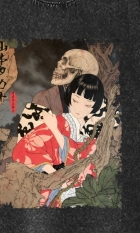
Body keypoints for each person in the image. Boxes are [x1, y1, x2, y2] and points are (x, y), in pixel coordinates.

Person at [12, 74, 105, 207]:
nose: (79, 108)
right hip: (57, 184)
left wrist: (56, 132)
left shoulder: (89, 132)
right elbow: (27, 147)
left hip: (79, 186)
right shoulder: (58, 122)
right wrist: (54, 175)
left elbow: (84, 159)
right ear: (70, 96)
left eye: (87, 105)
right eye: (76, 100)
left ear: (94, 106)